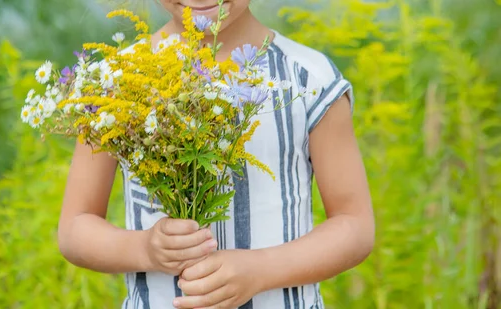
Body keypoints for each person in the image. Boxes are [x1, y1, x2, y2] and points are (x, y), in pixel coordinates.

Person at [57, 1, 375, 308]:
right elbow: (75, 228)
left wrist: (261, 269)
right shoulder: (115, 82)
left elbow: (354, 226)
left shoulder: (309, 79)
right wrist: (146, 249)